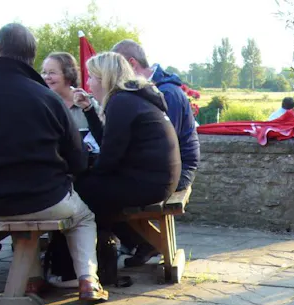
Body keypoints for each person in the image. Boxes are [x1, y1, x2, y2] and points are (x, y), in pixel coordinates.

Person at [0, 23, 108, 301]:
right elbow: (77, 161)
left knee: (19, 215)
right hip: (45, 200)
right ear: (32, 58)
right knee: (83, 217)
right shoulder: (48, 98)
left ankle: (32, 281)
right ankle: (88, 281)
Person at [71, 52, 181, 277]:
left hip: (150, 183)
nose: (88, 82)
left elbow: (110, 158)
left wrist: (86, 173)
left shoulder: (121, 102)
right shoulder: (132, 97)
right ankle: (138, 243)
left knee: (82, 190)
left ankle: (96, 260)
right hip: (161, 178)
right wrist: (89, 110)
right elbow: (110, 143)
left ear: (105, 78)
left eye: (91, 77)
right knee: (91, 187)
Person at [111, 40, 198, 267]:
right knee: (103, 187)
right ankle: (142, 242)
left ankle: (143, 242)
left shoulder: (167, 92)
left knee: (97, 194)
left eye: (117, 66)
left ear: (131, 63)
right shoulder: (147, 90)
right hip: (160, 167)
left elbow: (168, 148)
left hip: (179, 169)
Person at [40, 52, 90, 132]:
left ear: (68, 74)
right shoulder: (41, 104)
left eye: (52, 72)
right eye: (44, 72)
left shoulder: (89, 104)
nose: (46, 77)